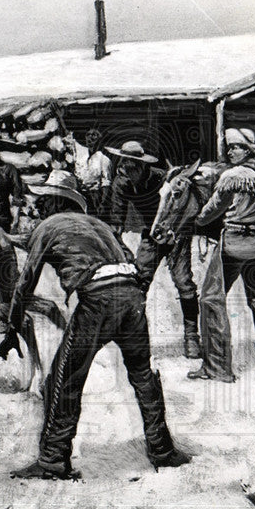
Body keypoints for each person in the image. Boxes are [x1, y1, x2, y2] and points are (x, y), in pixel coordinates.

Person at [1, 169, 191, 479]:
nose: (39, 208)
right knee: (143, 375)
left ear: (52, 203)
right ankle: (163, 450)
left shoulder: (48, 226)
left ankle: (52, 460)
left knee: (65, 379)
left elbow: (26, 281)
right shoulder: (102, 227)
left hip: (97, 302)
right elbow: (138, 274)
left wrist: (11, 328)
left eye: (43, 201)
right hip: (131, 297)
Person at [188, 128, 255, 382]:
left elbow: (213, 209)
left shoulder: (233, 177)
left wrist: (198, 220)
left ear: (248, 151)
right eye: (230, 148)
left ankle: (217, 367)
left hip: (232, 243)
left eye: (236, 147)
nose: (230, 152)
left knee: (210, 299)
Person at [108, 140, 201, 359]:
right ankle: (136, 339)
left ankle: (191, 336)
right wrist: (118, 245)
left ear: (141, 166)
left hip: (176, 234)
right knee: (139, 283)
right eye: (123, 164)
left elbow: (185, 204)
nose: (125, 170)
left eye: (130, 166)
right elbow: (117, 217)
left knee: (184, 282)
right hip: (150, 234)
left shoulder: (163, 179)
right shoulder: (121, 182)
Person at [71, 129, 114, 219]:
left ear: (100, 140)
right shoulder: (80, 157)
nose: (91, 137)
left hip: (95, 196)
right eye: (89, 135)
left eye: (94, 135)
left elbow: (106, 183)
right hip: (79, 194)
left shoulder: (104, 159)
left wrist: (103, 204)